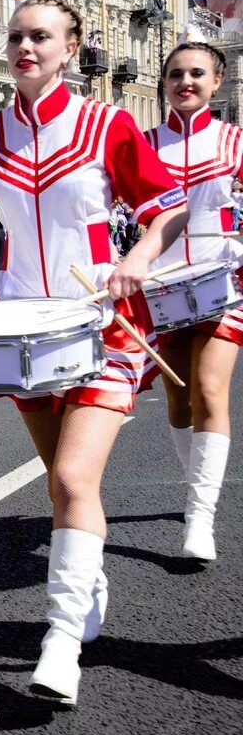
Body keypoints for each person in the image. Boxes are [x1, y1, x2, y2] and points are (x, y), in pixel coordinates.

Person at [0, 0, 189, 705]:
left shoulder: (108, 124)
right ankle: (90, 582)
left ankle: (59, 642)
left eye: (41, 37)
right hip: (21, 324)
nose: (25, 48)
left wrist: (136, 261)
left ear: (70, 49)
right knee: (60, 481)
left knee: (75, 479)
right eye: (17, 36)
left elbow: (164, 210)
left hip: (101, 320)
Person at [144, 32, 243, 562]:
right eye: (176, 74)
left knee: (208, 389)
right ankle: (195, 482)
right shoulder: (141, 143)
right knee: (179, 398)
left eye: (196, 74)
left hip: (221, 283)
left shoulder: (235, 141)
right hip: (160, 290)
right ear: (164, 83)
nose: (185, 82)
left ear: (216, 81)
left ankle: (200, 516)